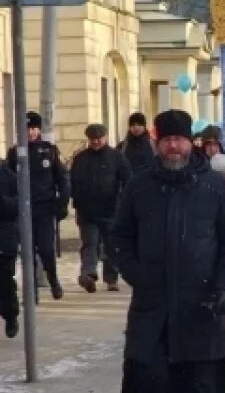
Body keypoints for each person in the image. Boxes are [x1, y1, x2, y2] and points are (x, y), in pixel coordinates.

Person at [111, 109, 225, 393]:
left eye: (180, 139)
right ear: (158, 143)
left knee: (197, 389)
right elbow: (120, 238)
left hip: (201, 306)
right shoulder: (139, 186)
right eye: (167, 139)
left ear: (191, 143)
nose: (174, 146)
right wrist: (136, 274)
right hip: (152, 308)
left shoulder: (215, 186)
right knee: (149, 385)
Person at [6, 112, 69, 300]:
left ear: (39, 130)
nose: (30, 132)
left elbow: (62, 179)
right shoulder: (14, 153)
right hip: (23, 210)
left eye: (33, 128)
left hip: (44, 208)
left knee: (46, 249)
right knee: (27, 252)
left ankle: (53, 279)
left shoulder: (49, 150)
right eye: (27, 129)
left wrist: (62, 203)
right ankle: (31, 291)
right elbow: (8, 181)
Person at [70, 124, 131, 293]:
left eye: (99, 138)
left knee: (111, 245)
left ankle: (111, 279)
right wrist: (75, 199)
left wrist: (122, 201)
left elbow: (127, 180)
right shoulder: (80, 158)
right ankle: (88, 274)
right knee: (89, 244)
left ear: (105, 137)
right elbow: (72, 180)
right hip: (86, 210)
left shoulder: (116, 157)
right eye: (92, 139)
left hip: (111, 210)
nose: (96, 141)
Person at [0, 161, 18, 338]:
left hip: (4, 237)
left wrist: (3, 201)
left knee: (5, 281)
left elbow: (17, 205)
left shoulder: (7, 175)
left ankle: (10, 316)